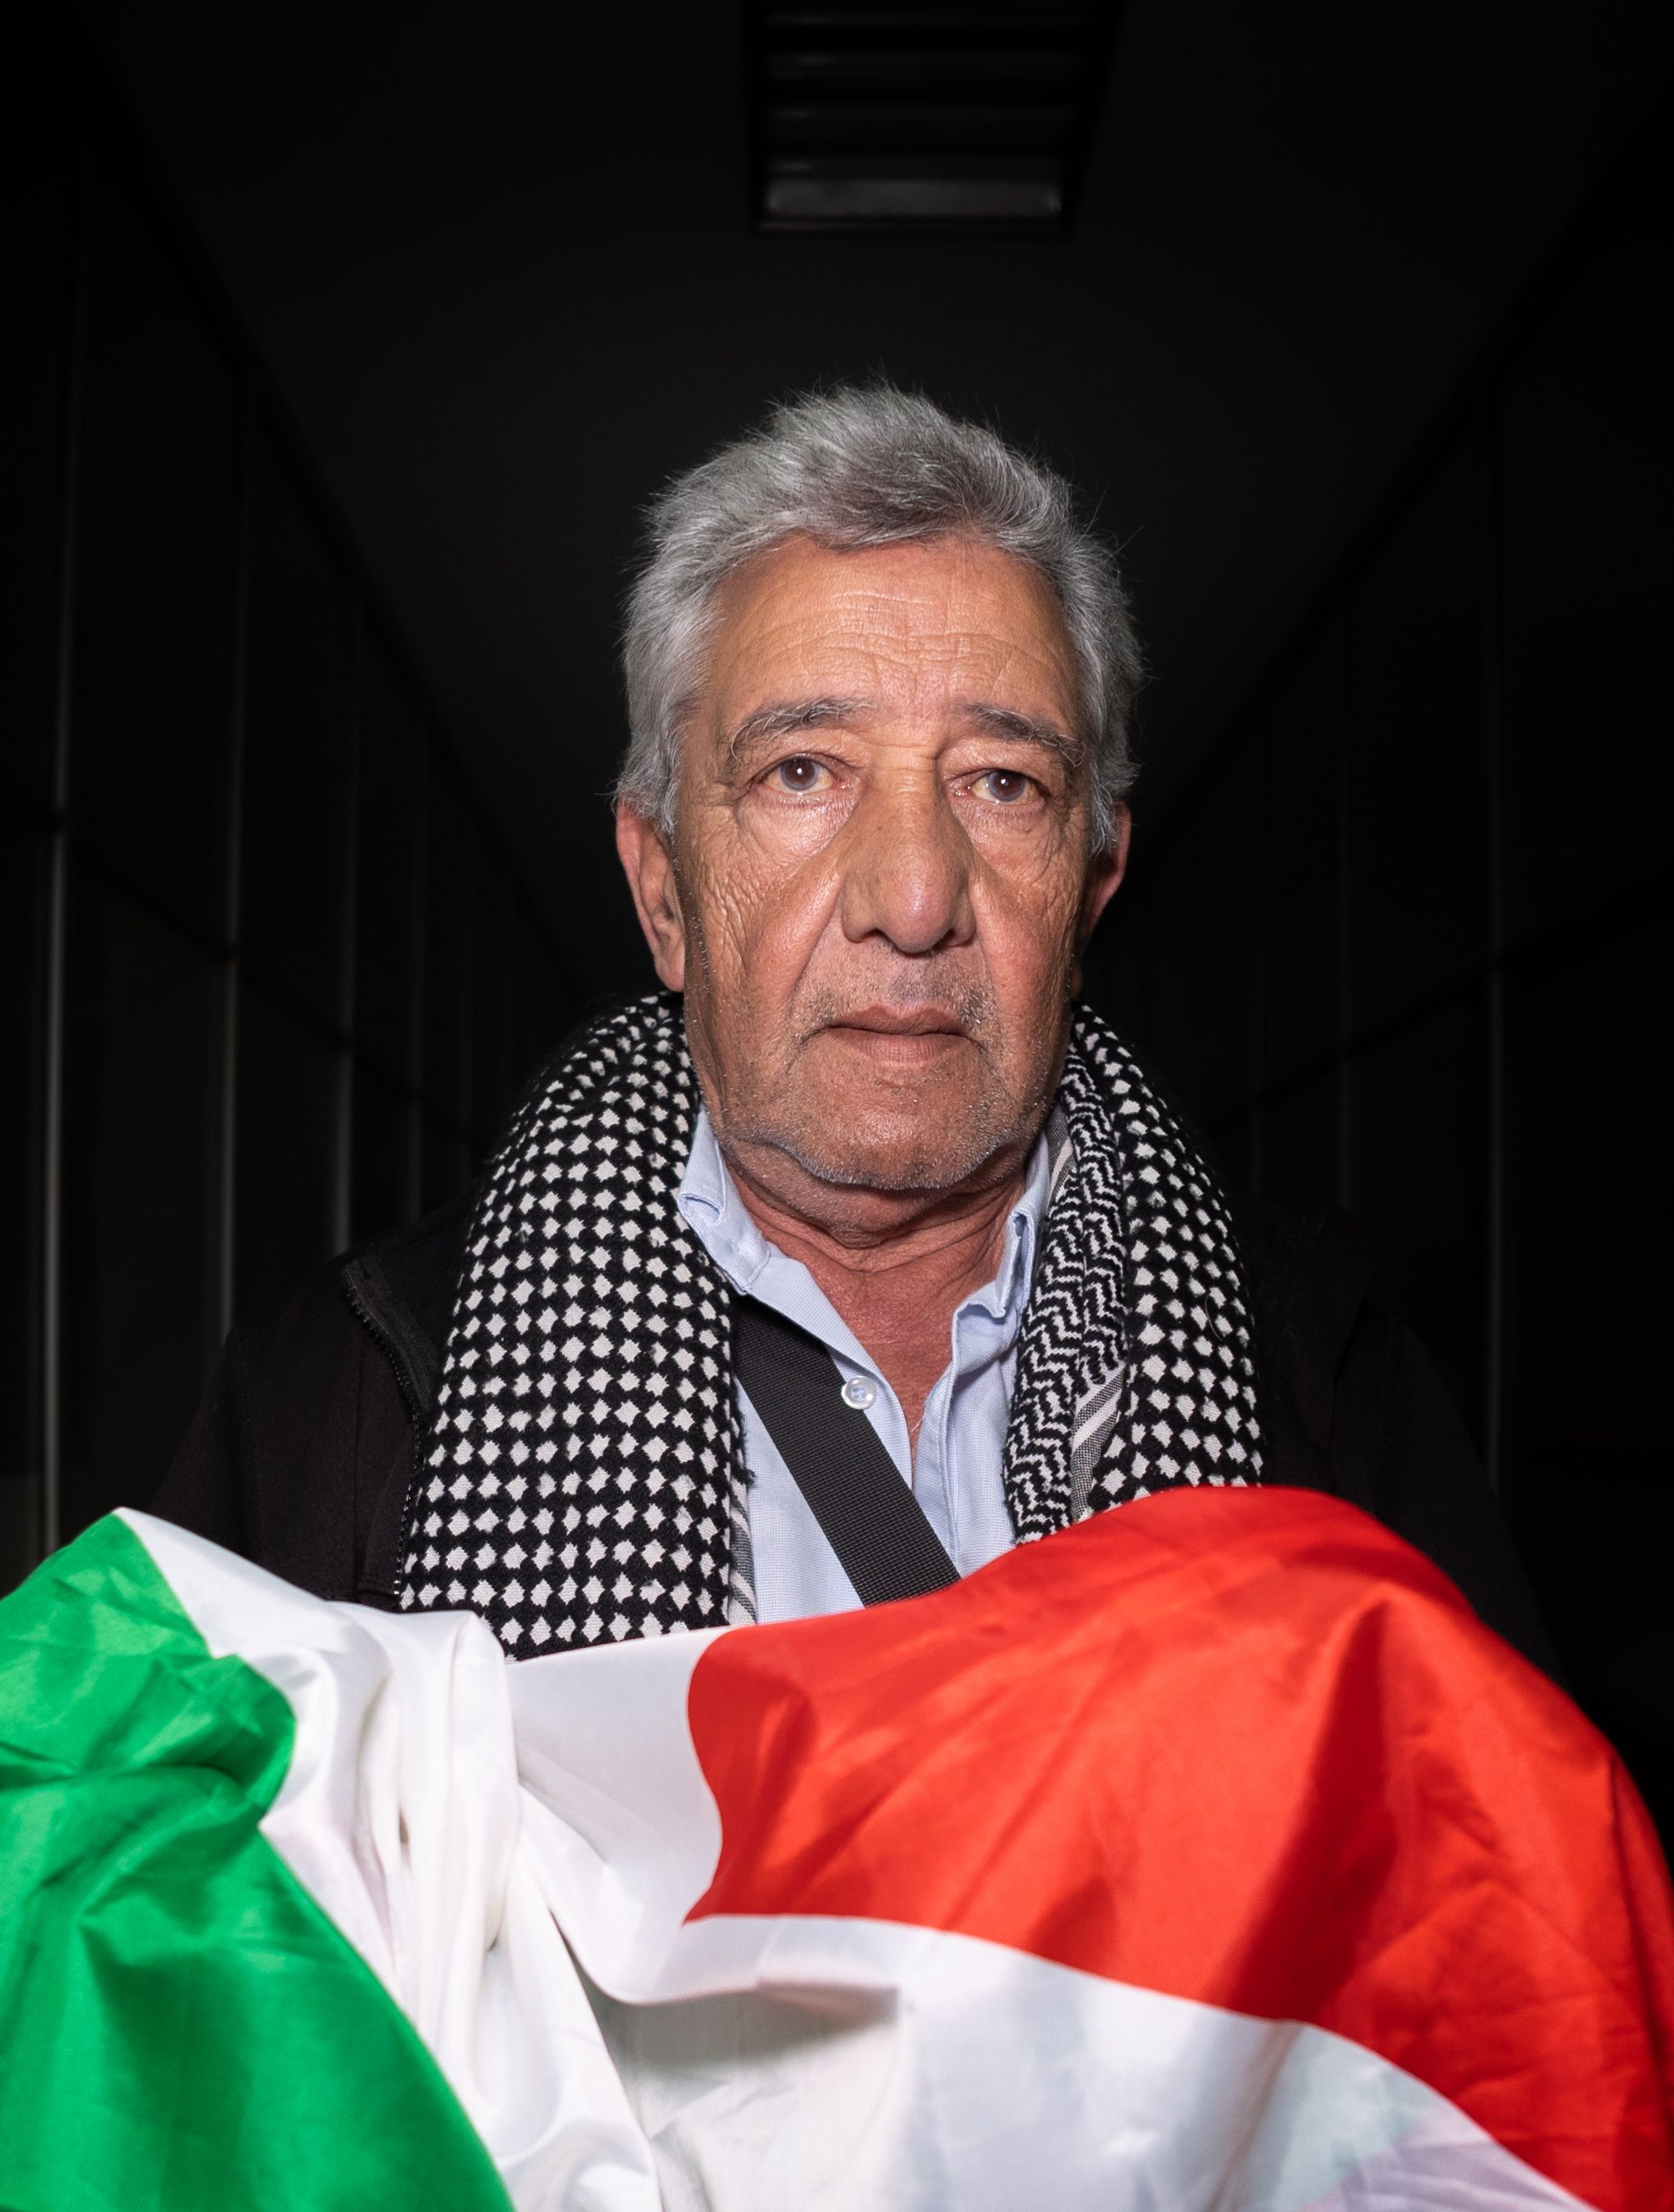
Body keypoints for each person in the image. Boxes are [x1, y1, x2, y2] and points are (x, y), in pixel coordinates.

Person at [157, 384, 1550, 1677]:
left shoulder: (1327, 1380)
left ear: (1091, 884)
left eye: (1002, 782)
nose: (913, 897)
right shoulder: (340, 1405)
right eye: (803, 772)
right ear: (665, 893)